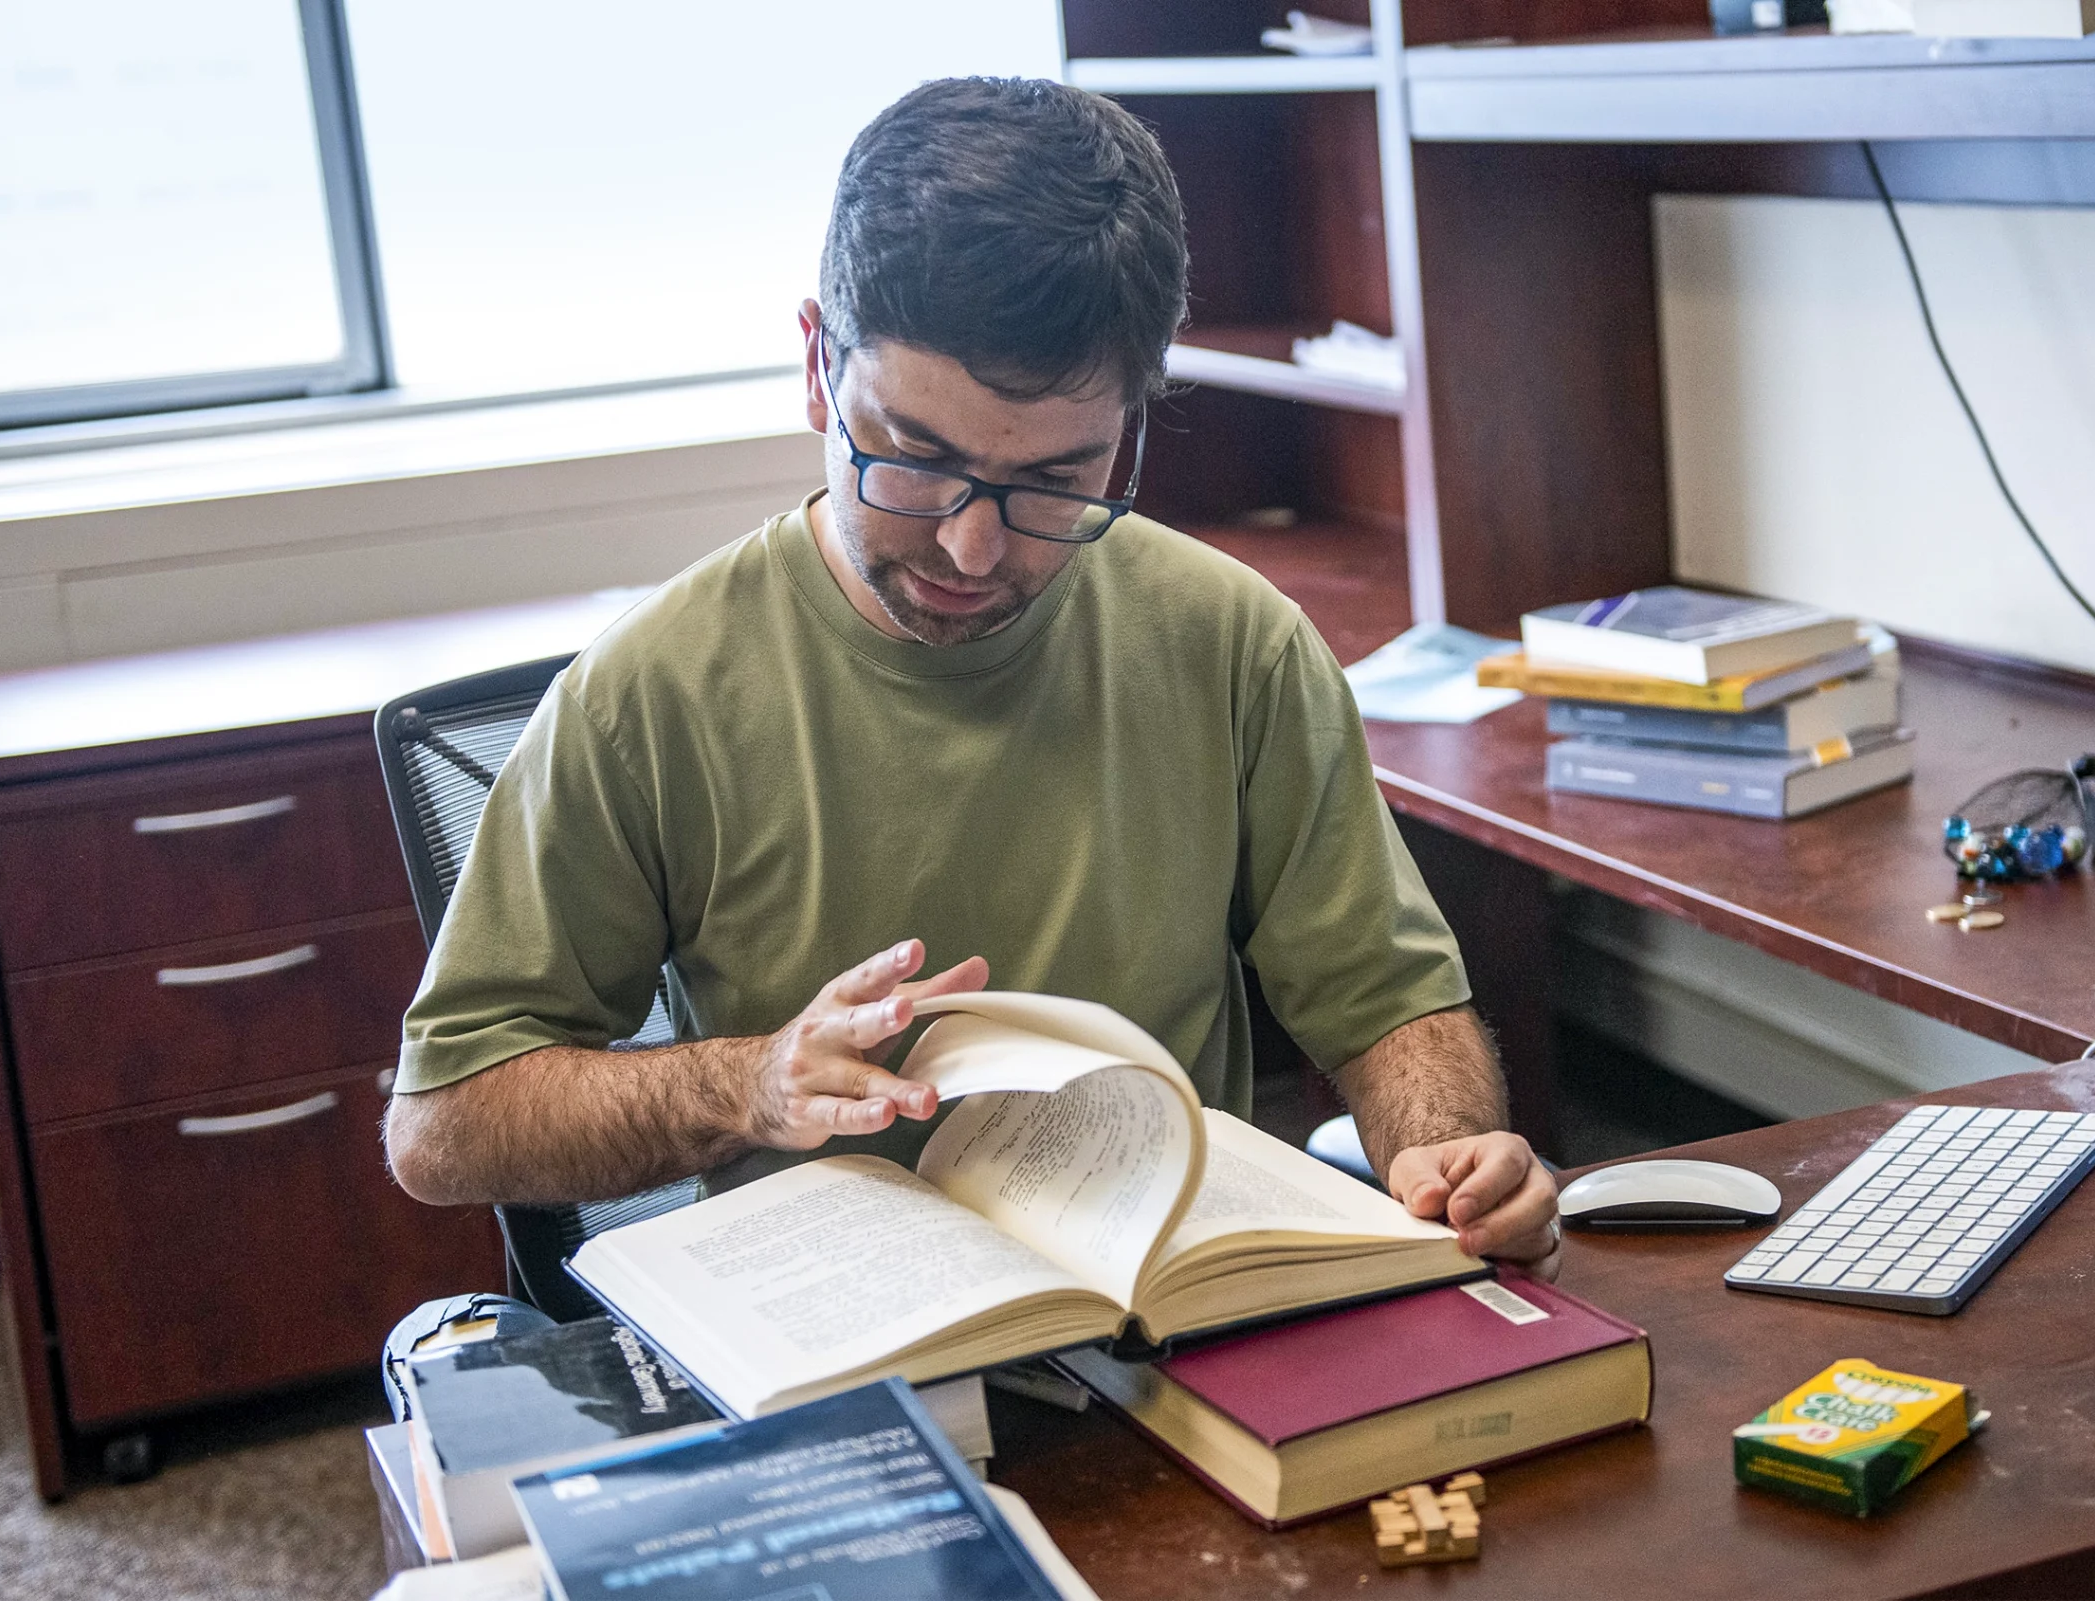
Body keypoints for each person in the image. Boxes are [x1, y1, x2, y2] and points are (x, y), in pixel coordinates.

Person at [382, 76, 1559, 1275]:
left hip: (1162, 1322)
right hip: (839, 1350)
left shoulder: (1230, 640)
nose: (972, 547)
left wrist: (1453, 1153)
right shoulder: (650, 695)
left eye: (1057, 479)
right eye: (914, 457)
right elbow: (443, 1125)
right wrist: (745, 1083)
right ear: (814, 367)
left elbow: (1389, 1004)